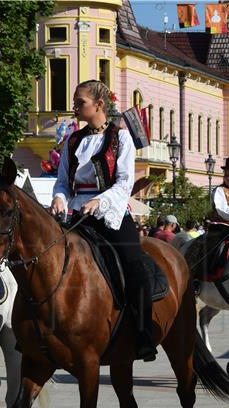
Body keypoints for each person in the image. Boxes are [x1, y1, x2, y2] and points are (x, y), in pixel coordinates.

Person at [50, 79, 157, 361]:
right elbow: (62, 181)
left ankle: (145, 331)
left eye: (80, 102)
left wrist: (100, 200)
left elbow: (124, 183)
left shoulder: (120, 137)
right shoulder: (73, 140)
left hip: (111, 213)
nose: (74, 106)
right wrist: (59, 197)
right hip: (77, 214)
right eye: (75, 102)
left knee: (134, 265)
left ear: (99, 105)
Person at [184, 157, 229, 285]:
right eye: (226, 176)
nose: (228, 178)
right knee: (211, 248)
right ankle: (197, 278)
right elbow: (222, 209)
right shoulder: (219, 191)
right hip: (220, 227)